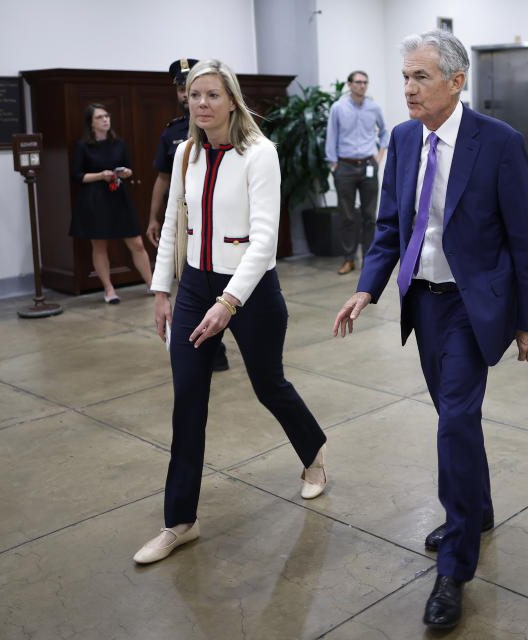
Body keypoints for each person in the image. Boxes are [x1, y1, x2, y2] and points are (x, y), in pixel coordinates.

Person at [332, 30, 528, 629]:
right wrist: (366, 288)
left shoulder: (498, 143)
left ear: (456, 82)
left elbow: (525, 238)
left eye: (421, 77)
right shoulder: (402, 140)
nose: (408, 88)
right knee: (456, 418)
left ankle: (454, 566)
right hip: (421, 303)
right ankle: (475, 508)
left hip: (471, 304)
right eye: (405, 77)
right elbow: (389, 228)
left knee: (455, 418)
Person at [134, 59, 328, 565]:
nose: (201, 104)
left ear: (232, 100)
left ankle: (313, 455)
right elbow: (174, 225)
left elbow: (264, 241)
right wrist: (161, 292)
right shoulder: (183, 154)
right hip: (196, 287)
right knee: (188, 402)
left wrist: (230, 301)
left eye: (212, 95)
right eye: (195, 95)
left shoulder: (259, 154)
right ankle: (180, 521)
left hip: (251, 290)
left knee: (270, 385)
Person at [146, 58, 229, 372]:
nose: (192, 99)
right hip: (186, 223)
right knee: (192, 286)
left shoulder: (224, 127)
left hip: (223, 227)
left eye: (199, 91)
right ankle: (204, 348)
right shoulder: (174, 135)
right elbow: (163, 179)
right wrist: (154, 217)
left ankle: (216, 345)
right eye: (186, 91)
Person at [70, 104, 152, 303]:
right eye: (99, 117)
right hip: (95, 199)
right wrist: (100, 175)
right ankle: (109, 290)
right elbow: (77, 176)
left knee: (137, 242)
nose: (105, 120)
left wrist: (125, 173)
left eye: (107, 116)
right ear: (91, 123)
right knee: (99, 245)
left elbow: (129, 168)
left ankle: (152, 285)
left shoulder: (119, 143)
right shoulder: (83, 146)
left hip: (119, 195)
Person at [325, 70, 388, 275]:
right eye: (358, 82)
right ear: (350, 84)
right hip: (345, 167)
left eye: (365, 82)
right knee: (347, 216)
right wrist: (334, 165)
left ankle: (368, 260)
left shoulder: (374, 107)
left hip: (369, 165)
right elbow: (331, 137)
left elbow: (384, 132)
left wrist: (378, 157)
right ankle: (349, 259)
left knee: (370, 215)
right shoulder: (338, 108)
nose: (362, 85)